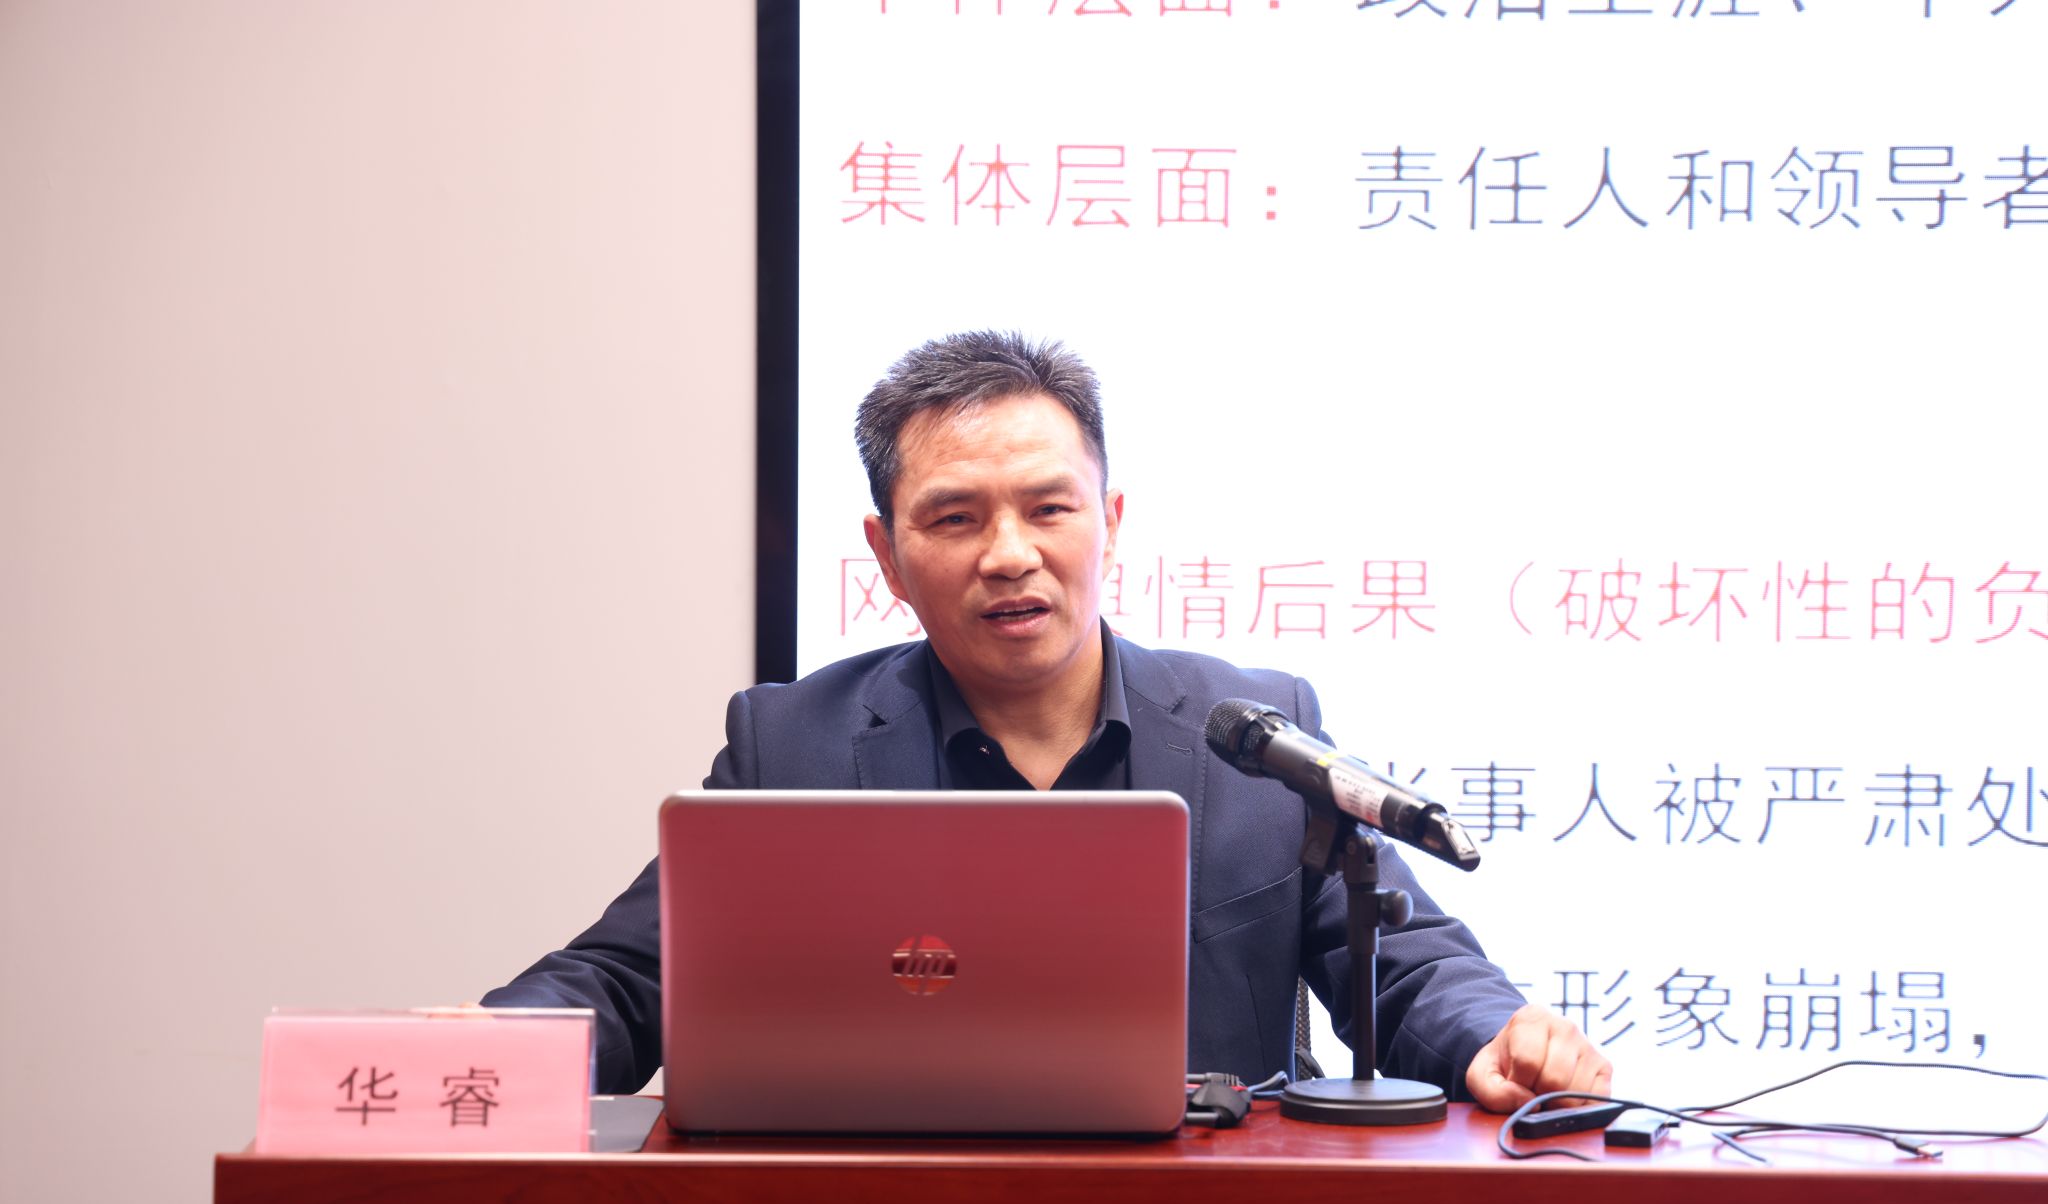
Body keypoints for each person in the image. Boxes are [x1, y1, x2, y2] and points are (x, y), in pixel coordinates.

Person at [483, 331, 1610, 1110]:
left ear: (1108, 520)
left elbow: (1406, 962)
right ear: (885, 554)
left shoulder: (1258, 736)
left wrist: (1494, 1036)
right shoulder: (793, 745)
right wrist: (493, 1051)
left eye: (1048, 508)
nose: (1009, 554)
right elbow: (627, 978)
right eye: (955, 518)